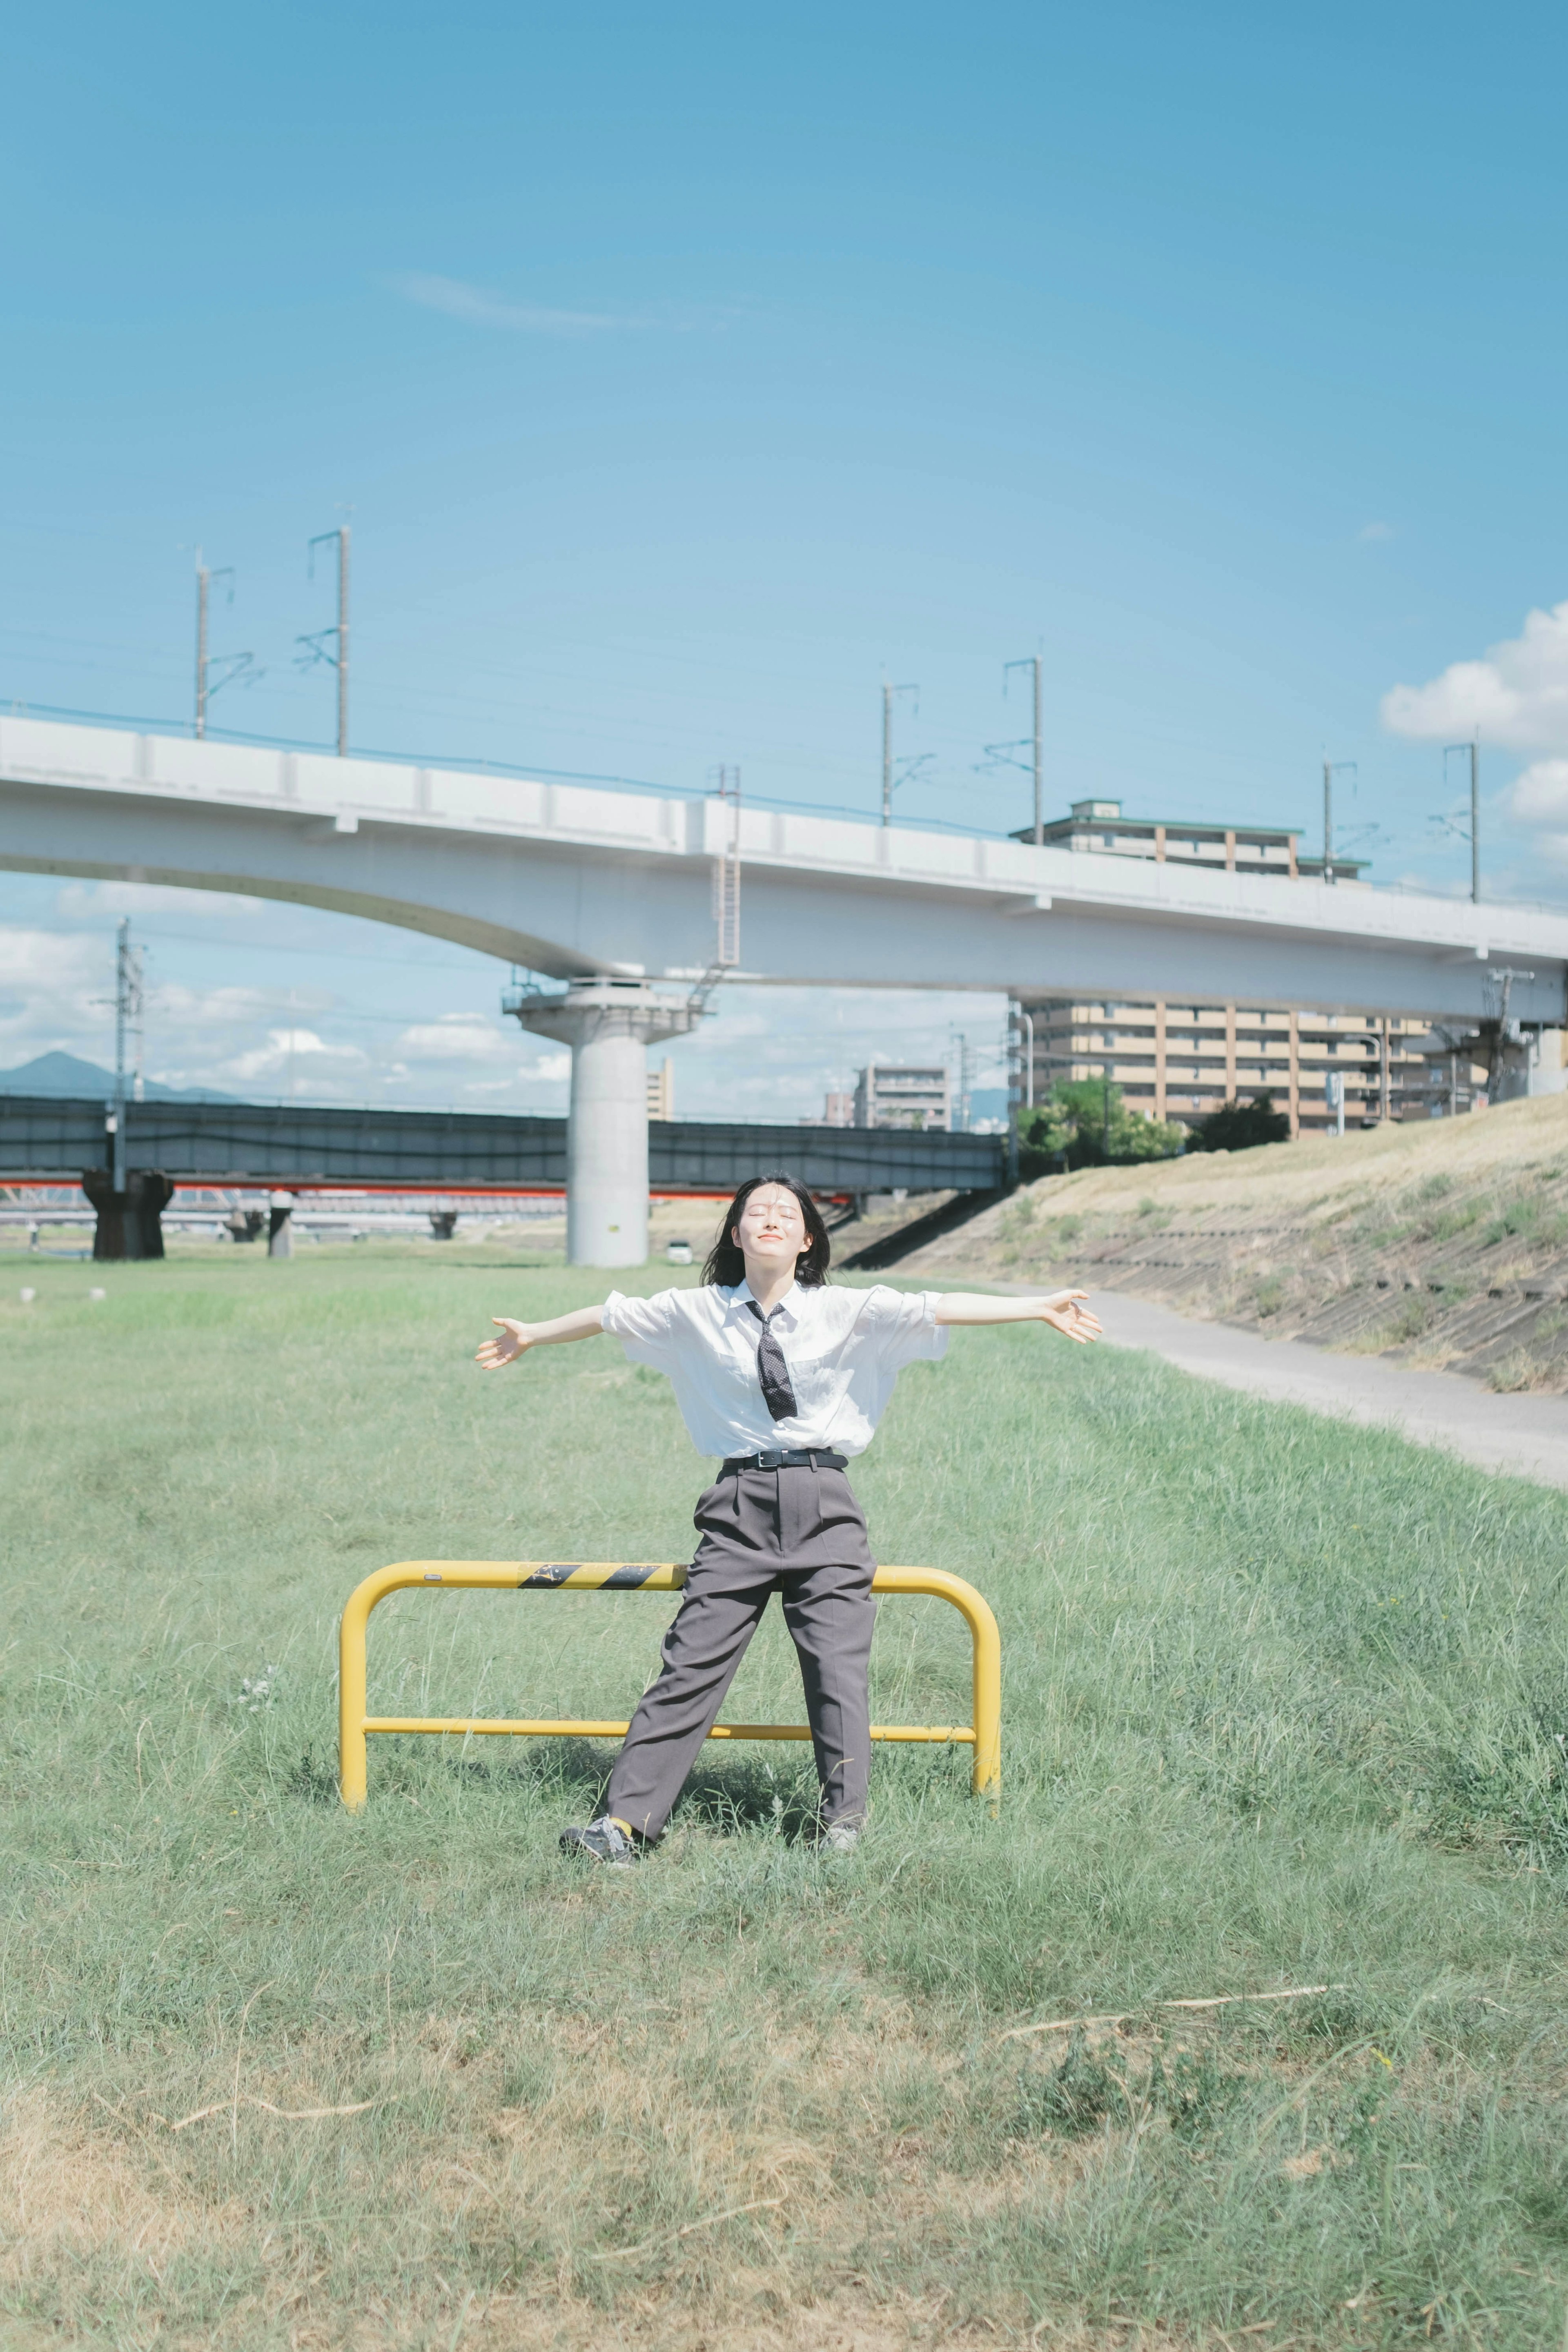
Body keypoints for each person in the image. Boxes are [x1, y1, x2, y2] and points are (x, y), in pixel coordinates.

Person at [475, 1172, 1101, 1864]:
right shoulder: (696, 1310)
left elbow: (938, 1305)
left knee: (838, 1671)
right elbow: (608, 1314)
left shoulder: (847, 1309)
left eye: (786, 1213)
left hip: (825, 1501)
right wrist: (532, 1333)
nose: (769, 1218)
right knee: (689, 1666)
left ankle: (842, 1829)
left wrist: (1036, 1305)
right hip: (738, 1506)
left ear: (807, 1239)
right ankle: (623, 1827)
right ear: (737, 1233)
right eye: (755, 1212)